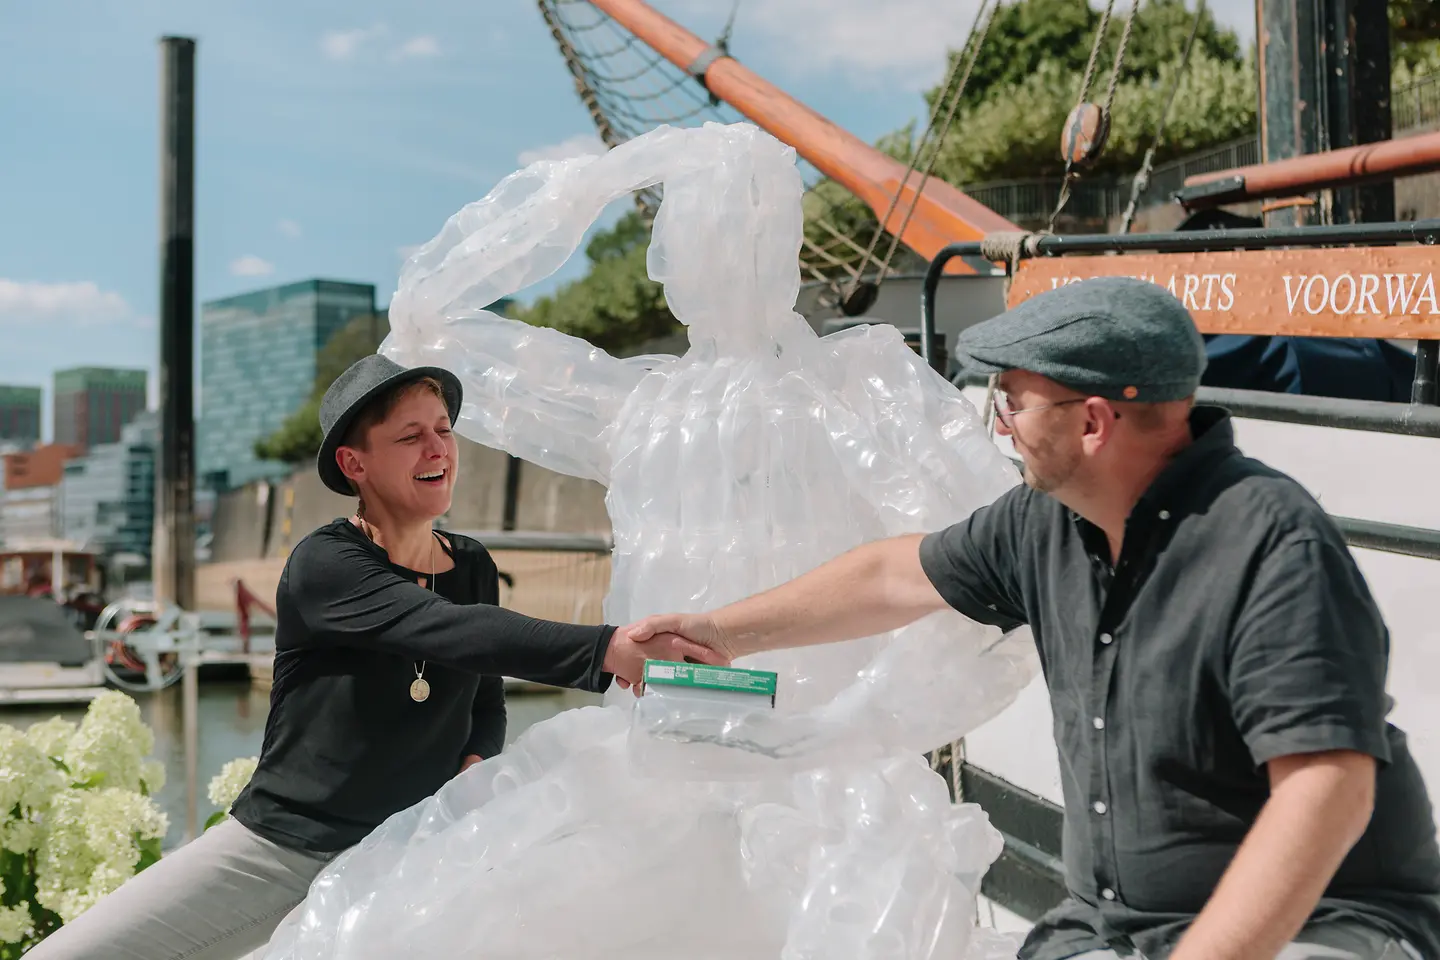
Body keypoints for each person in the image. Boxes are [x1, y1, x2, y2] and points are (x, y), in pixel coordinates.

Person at [629, 277, 1440, 960]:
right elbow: (890, 574)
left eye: (1012, 403)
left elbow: (1328, 789)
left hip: (1320, 927)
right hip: (1115, 927)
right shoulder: (1043, 522)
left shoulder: (1268, 541)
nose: (1001, 424)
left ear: (1092, 423)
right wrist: (716, 634)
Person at [28, 355, 718, 960]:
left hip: (412, 853)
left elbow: (484, 697)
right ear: (355, 464)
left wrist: (475, 761)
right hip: (286, 848)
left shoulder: (470, 563)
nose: (438, 446)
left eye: (444, 428)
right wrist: (609, 650)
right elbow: (453, 631)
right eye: (410, 435)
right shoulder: (326, 564)